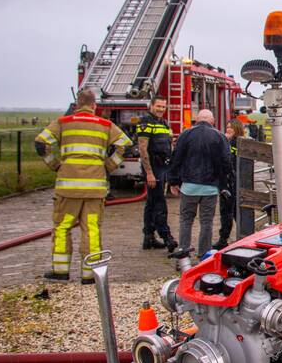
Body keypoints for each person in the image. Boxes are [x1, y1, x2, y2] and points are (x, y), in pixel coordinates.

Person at [34, 88, 131, 284]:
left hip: (68, 188)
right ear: (94, 106)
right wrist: (107, 166)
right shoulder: (105, 124)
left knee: (62, 227)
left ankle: (60, 271)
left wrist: (55, 164)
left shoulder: (63, 123)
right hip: (95, 187)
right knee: (92, 229)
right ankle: (90, 274)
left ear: (77, 105)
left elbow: (40, 142)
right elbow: (125, 144)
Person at [167, 109, 232, 269]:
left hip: (189, 187)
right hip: (210, 188)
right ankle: (204, 257)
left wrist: (173, 181)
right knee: (206, 222)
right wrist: (223, 184)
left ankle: (182, 257)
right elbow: (226, 162)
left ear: (197, 120)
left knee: (185, 220)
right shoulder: (220, 137)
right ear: (213, 121)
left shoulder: (185, 135)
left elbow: (176, 158)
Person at [135, 96, 178, 252]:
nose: (161, 109)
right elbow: (142, 149)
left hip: (163, 166)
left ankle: (149, 237)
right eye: (158, 106)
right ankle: (167, 236)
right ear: (151, 105)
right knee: (160, 203)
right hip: (153, 166)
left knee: (152, 202)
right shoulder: (146, 122)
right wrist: (149, 173)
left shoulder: (163, 123)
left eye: (163, 107)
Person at [213, 118, 244, 249]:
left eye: (231, 127)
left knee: (229, 211)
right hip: (229, 180)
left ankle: (224, 239)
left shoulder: (238, 143)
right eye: (227, 126)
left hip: (233, 180)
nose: (228, 129)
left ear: (237, 129)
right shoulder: (227, 141)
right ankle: (230, 237)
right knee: (230, 211)